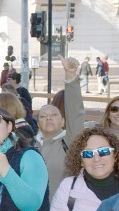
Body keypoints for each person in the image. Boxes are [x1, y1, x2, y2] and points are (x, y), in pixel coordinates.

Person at [35, 56, 84, 199]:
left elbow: (76, 112)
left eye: (54, 115)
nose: (48, 117)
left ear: (63, 121)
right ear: (38, 123)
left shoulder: (69, 141)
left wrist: (70, 77)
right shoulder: (30, 145)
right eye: (43, 116)